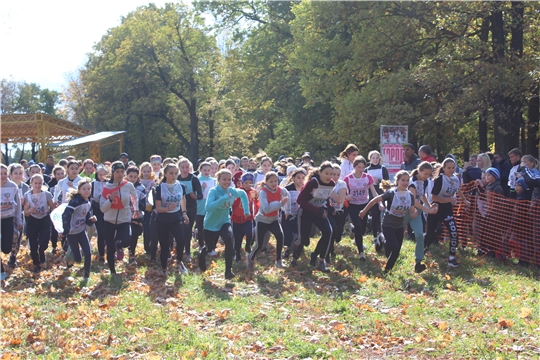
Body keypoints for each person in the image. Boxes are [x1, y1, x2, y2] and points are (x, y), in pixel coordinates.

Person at [360, 170, 418, 273]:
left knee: (396, 251)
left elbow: (412, 211)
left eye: (407, 180)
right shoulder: (391, 193)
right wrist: (364, 211)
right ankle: (386, 271)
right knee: (394, 247)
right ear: (397, 181)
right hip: (388, 224)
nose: (405, 183)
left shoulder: (410, 195)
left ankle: (387, 268)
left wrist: (414, 213)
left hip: (400, 225)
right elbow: (374, 200)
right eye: (403, 180)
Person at [199, 169, 250, 280]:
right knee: (209, 248)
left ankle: (228, 271)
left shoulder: (232, 191)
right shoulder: (214, 191)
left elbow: (243, 194)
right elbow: (208, 207)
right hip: (210, 224)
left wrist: (246, 210)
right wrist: (223, 199)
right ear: (218, 180)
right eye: (224, 179)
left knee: (228, 240)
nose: (227, 182)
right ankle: (202, 255)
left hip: (224, 222)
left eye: (229, 179)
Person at [424, 158, 470, 267]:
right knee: (430, 234)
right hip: (435, 209)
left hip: (447, 211)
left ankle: (451, 258)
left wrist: (464, 200)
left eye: (453, 168)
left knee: (454, 233)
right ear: (443, 168)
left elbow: (457, 189)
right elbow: (434, 197)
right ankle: (421, 251)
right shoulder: (440, 179)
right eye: (449, 168)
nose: (451, 170)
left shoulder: (455, 179)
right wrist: (448, 200)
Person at [294, 162, 337, 272]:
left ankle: (320, 259)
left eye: (331, 174)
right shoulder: (313, 183)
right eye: (326, 173)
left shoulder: (331, 183)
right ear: (320, 173)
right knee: (303, 240)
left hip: (319, 211)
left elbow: (325, 197)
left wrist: (330, 208)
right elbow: (300, 200)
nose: (329, 176)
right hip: (305, 211)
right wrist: (316, 210)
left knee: (329, 231)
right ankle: (294, 256)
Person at [100, 161, 139, 275]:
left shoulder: (128, 185)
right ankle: (112, 271)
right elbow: (103, 209)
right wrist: (110, 199)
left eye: (122, 172)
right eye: (117, 172)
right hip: (109, 220)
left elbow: (135, 197)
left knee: (127, 240)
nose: (120, 174)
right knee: (110, 248)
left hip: (124, 218)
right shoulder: (107, 187)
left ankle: (119, 245)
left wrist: (136, 209)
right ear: (112, 173)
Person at [153, 163, 190, 276]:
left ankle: (179, 261)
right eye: (171, 173)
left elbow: (182, 200)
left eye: (175, 173)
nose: (174, 176)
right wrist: (168, 208)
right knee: (164, 245)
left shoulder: (181, 186)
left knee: (181, 240)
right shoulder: (159, 188)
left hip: (176, 218)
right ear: (165, 174)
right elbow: (158, 208)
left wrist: (184, 213)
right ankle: (164, 268)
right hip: (163, 220)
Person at [247, 172, 289, 270]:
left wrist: (288, 210)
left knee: (280, 237)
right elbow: (266, 209)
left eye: (275, 181)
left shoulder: (279, 190)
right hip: (262, 220)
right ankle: (250, 257)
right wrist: (280, 204)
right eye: (271, 182)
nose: (274, 183)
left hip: (273, 220)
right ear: (266, 182)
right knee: (259, 244)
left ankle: (279, 261)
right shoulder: (263, 192)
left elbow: (287, 195)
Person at [343, 156, 379, 261]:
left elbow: (374, 191)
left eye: (363, 167)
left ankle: (354, 230)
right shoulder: (348, 178)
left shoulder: (368, 177)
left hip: (364, 204)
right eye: (359, 167)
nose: (361, 169)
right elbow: (343, 193)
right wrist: (346, 197)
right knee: (359, 227)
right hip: (353, 205)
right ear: (354, 167)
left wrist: (379, 202)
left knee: (363, 228)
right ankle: (361, 253)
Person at [405, 162, 439, 273]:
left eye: (429, 175)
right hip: (405, 211)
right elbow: (414, 201)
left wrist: (429, 205)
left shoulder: (424, 182)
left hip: (416, 212)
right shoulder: (412, 182)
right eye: (425, 174)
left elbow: (422, 196)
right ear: (419, 170)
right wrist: (428, 210)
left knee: (420, 234)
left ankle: (418, 262)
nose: (427, 177)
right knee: (397, 234)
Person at [60, 178, 96, 279]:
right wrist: (66, 230)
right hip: (72, 233)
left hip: (81, 231)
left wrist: (92, 219)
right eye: (84, 189)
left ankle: (86, 276)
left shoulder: (88, 203)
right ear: (79, 190)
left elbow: (87, 219)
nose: (87, 191)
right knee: (78, 259)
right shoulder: (75, 202)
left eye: (89, 189)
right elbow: (65, 215)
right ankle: (69, 252)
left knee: (88, 253)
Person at [23, 174, 56, 273]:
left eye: (40, 183)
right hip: (32, 221)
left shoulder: (47, 194)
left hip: (44, 220)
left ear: (43, 183)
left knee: (44, 243)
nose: (38, 185)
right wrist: (31, 210)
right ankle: (36, 264)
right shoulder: (27, 195)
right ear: (31, 183)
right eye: (35, 183)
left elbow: (52, 207)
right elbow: (25, 213)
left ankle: (42, 253)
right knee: (33, 245)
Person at [177, 157, 203, 263]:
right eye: (182, 167)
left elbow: (200, 195)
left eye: (187, 167)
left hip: (191, 208)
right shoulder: (176, 178)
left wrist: (195, 196)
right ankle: (179, 249)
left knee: (187, 229)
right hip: (178, 208)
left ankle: (187, 252)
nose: (185, 169)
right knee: (180, 230)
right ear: (179, 168)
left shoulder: (194, 178)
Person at [1, 164, 23, 281]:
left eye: (5, 173)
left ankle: (11, 255)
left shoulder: (13, 186)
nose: (3, 176)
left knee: (6, 248)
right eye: (0, 173)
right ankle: (1, 271)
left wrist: (19, 219)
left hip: (8, 218)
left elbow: (18, 205)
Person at [231, 172, 259, 262]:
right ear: (241, 183)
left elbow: (257, 203)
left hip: (248, 218)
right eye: (246, 183)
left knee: (249, 233)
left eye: (250, 183)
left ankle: (248, 245)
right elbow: (232, 203)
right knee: (237, 238)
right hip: (236, 218)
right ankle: (237, 254)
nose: (248, 185)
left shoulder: (253, 192)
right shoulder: (237, 191)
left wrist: (257, 212)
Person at [282, 168, 306, 259]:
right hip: (288, 214)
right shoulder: (287, 189)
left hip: (300, 216)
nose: (301, 180)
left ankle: (297, 251)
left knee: (298, 233)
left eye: (303, 178)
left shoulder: (305, 189)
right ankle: (288, 249)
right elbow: (283, 202)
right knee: (287, 235)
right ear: (293, 178)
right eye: (298, 178)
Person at [365, 150, 389, 242]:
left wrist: (379, 181)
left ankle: (382, 234)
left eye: (377, 158)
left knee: (381, 215)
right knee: (374, 215)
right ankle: (375, 235)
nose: (375, 160)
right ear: (370, 159)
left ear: (379, 159)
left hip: (381, 194)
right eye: (373, 158)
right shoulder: (366, 170)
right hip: (371, 195)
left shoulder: (383, 168)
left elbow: (387, 183)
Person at [125, 166, 146, 265]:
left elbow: (143, 205)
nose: (132, 179)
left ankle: (132, 254)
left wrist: (136, 202)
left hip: (136, 215)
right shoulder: (123, 186)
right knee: (127, 235)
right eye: (130, 176)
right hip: (124, 215)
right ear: (127, 176)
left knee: (135, 235)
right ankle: (126, 251)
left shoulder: (141, 188)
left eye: (135, 177)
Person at [196, 162, 215, 251]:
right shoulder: (197, 179)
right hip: (200, 207)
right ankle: (201, 244)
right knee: (200, 227)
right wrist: (202, 188)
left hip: (210, 207)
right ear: (200, 170)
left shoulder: (213, 180)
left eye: (208, 170)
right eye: (204, 170)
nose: (207, 172)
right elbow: (195, 194)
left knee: (209, 227)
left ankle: (209, 244)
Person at [91, 165, 108, 262]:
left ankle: (110, 250)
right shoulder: (93, 184)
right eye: (100, 174)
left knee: (107, 232)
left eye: (104, 175)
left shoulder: (109, 184)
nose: (102, 176)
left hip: (107, 209)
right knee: (101, 232)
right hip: (97, 209)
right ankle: (101, 254)